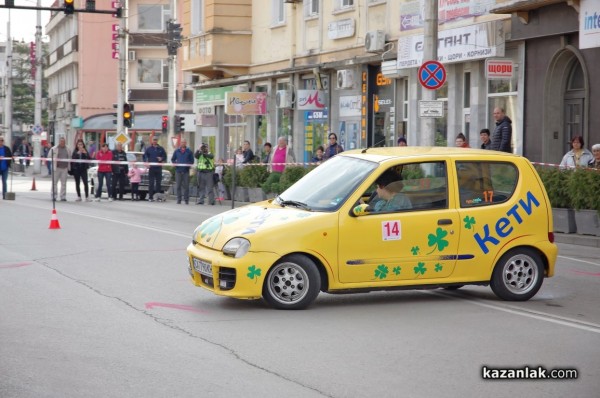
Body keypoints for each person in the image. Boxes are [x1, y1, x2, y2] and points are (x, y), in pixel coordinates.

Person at [143, 137, 167, 202]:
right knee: (151, 183)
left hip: (158, 168)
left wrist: (161, 159)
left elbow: (165, 156)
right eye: (154, 140)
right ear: (152, 141)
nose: (155, 141)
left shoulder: (161, 149)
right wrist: (146, 162)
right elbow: (145, 156)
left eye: (156, 140)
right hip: (151, 168)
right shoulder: (149, 149)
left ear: (157, 141)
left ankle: (158, 197)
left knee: (158, 183)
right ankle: (150, 197)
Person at [171, 139, 194, 204]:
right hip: (178, 171)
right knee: (178, 186)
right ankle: (179, 199)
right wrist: (175, 164)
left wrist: (187, 165)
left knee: (186, 186)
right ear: (180, 143)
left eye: (184, 142)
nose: (183, 143)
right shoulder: (177, 151)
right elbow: (173, 159)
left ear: (186, 143)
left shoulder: (189, 151)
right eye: (182, 142)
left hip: (186, 171)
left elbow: (192, 161)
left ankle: (186, 200)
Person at [52, 137, 71, 201]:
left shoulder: (68, 149)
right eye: (61, 141)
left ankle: (63, 196)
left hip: (64, 168)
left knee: (64, 183)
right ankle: (54, 195)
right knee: (54, 182)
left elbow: (70, 157)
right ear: (59, 142)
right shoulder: (54, 148)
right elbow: (49, 156)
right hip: (57, 168)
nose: (62, 143)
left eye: (64, 142)